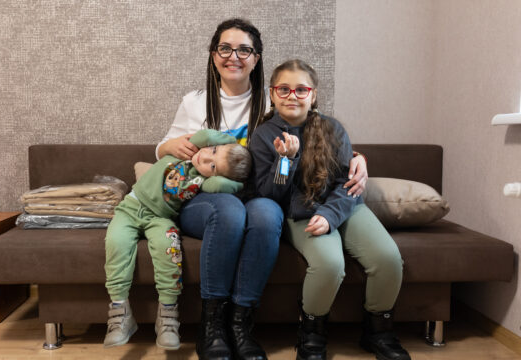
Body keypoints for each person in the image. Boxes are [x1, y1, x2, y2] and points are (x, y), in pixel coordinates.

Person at [157, 19, 368, 360]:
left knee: (268, 213)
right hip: (204, 199)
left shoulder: (272, 102)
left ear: (256, 59)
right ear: (214, 55)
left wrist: (357, 157)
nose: (234, 56)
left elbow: (314, 137)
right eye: (225, 48)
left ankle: (241, 324)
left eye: (244, 50)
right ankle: (213, 324)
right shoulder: (196, 102)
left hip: (255, 196)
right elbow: (162, 147)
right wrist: (170, 146)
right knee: (228, 210)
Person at [249, 59, 410, 360]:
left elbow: (346, 184)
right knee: (330, 264)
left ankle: (378, 331)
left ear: (313, 95)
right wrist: (287, 160)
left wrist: (331, 215)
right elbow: (270, 194)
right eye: (283, 89)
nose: (292, 95)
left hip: (343, 206)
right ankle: (311, 335)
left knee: (388, 258)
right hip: (300, 213)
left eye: (301, 89)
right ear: (272, 94)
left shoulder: (333, 129)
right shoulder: (261, 136)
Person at [103, 129, 251, 351]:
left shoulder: (203, 182)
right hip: (129, 209)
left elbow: (226, 187)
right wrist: (228, 143)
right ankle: (119, 312)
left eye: (213, 166)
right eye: (212, 151)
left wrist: (232, 173)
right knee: (116, 242)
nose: (206, 157)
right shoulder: (186, 151)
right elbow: (203, 138)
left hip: (160, 219)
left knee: (169, 251)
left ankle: (168, 317)